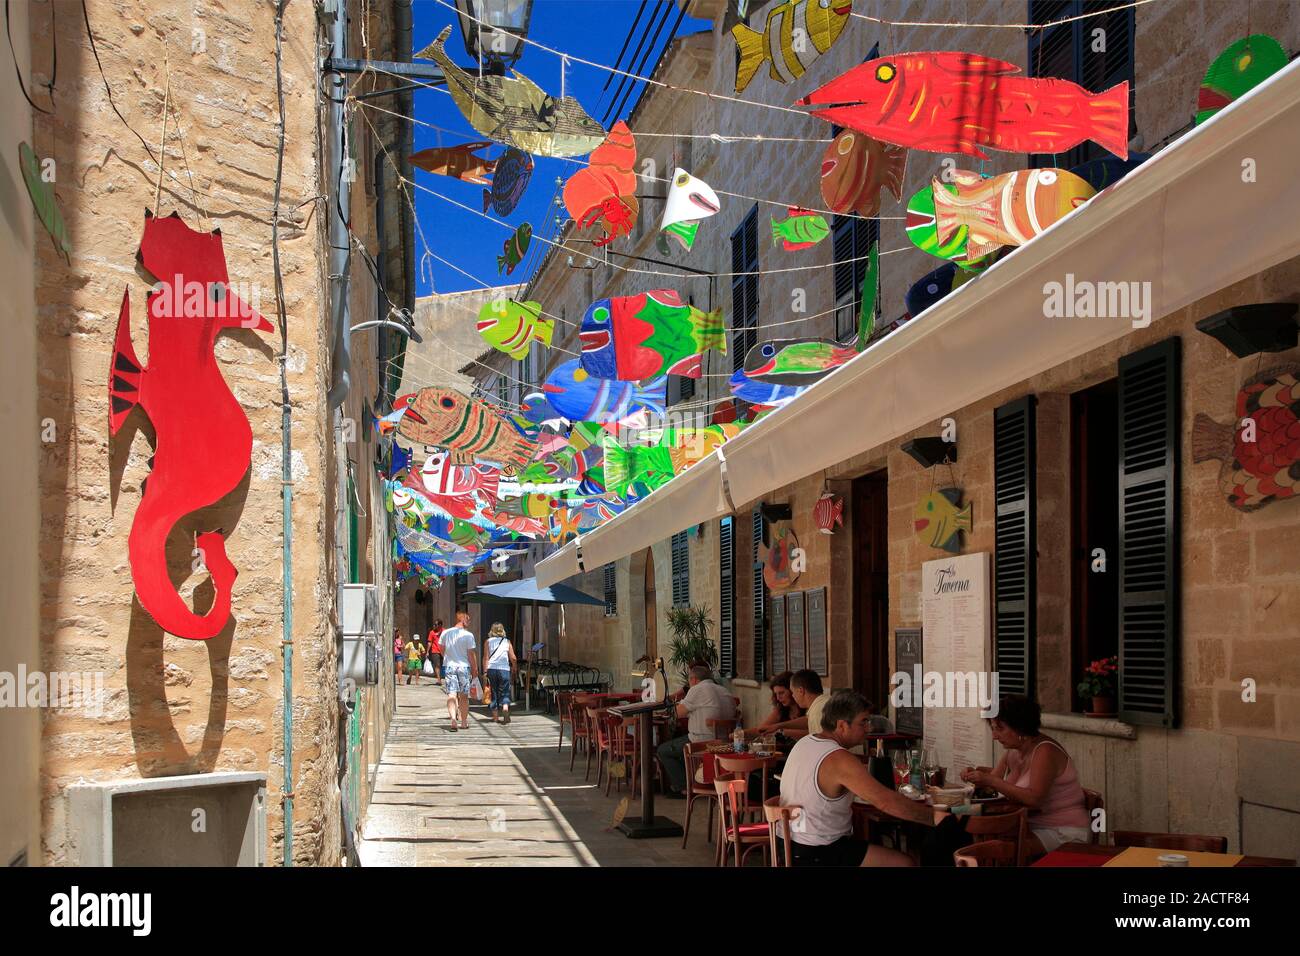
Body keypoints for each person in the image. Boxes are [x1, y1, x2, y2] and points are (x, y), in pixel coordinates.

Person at [778, 689, 947, 867]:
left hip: (788, 843)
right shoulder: (839, 758)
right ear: (842, 725)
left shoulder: (806, 742)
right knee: (905, 863)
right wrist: (935, 818)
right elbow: (886, 802)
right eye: (863, 722)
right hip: (817, 852)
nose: (869, 728)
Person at [960, 695, 1091, 856]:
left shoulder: (1045, 751)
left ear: (1020, 727)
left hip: (1064, 831)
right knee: (955, 835)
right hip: (1028, 827)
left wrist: (990, 780)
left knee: (994, 851)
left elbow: (1035, 798)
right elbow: (991, 785)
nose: (994, 736)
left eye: (1000, 729)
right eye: (993, 728)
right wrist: (975, 777)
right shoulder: (1014, 751)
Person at [656, 665, 736, 797]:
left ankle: (683, 787)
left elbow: (677, 713)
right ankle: (694, 780)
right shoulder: (724, 691)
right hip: (725, 743)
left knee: (663, 750)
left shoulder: (697, 689)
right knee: (679, 746)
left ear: (693, 679)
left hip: (702, 742)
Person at [439, 610, 480, 731]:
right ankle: (464, 722)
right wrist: (475, 670)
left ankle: (453, 719)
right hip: (464, 667)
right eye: (468, 619)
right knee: (464, 696)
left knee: (451, 694)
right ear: (462, 619)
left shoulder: (445, 633)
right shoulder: (468, 635)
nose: (469, 621)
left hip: (450, 666)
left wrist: (447, 657)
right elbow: (471, 654)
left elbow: (441, 649)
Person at [755, 669, 825, 739]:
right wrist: (778, 726)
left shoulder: (817, 712)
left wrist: (781, 731)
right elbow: (807, 720)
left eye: (793, 692)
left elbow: (820, 742)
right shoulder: (822, 703)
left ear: (801, 691)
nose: (793, 696)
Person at [484, 622, 517, 724]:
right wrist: (514, 668)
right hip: (504, 669)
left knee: (493, 692)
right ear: (502, 630)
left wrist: (485, 671)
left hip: (492, 669)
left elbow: (486, 658)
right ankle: (505, 707)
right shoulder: (507, 642)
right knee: (505, 691)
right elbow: (513, 658)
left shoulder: (488, 641)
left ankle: (495, 717)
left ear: (492, 631)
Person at [427, 619, 444, 685]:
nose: (434, 626)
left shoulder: (445, 631)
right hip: (435, 651)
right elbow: (429, 642)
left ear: (440, 625)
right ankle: (439, 680)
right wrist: (428, 651)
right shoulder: (432, 632)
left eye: (436, 624)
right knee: (437, 665)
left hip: (443, 651)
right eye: (434, 624)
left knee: (442, 665)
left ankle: (441, 677)